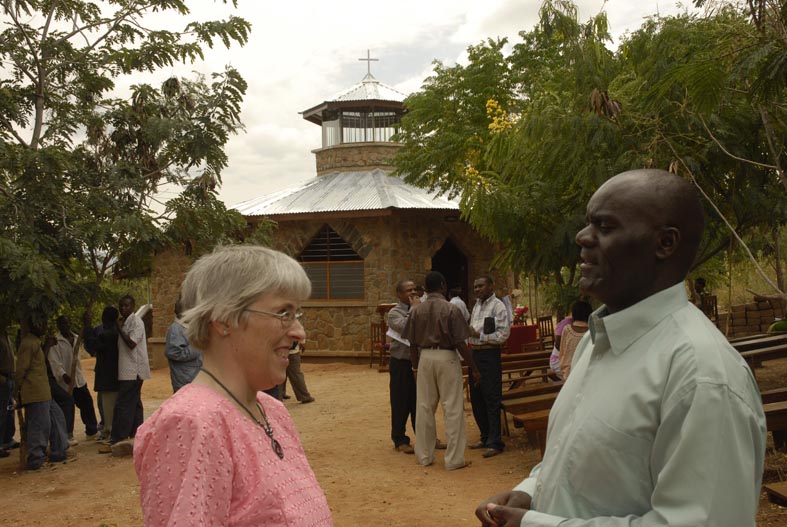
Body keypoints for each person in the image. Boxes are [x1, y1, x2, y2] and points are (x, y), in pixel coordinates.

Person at [476, 169, 767, 527]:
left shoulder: (701, 375)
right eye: (587, 223)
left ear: (665, 243)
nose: (583, 237)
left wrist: (533, 523)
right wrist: (531, 491)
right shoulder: (593, 345)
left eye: (605, 226)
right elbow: (576, 462)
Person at [134, 245, 332, 526]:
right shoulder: (191, 425)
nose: (300, 332)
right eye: (283, 313)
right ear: (224, 319)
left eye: (296, 314)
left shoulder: (271, 410)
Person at [402, 271, 478, 470]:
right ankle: (454, 460)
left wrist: (415, 367)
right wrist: (473, 367)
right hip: (447, 357)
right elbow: (460, 343)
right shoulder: (451, 309)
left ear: (425, 289)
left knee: (425, 408)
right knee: (452, 408)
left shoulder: (416, 311)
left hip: (425, 357)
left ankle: (424, 456)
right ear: (443, 285)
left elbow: (411, 343)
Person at [15, 317, 68, 470]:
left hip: (44, 391)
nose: (44, 326)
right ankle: (35, 459)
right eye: (41, 323)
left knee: (57, 418)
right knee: (39, 425)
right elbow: (21, 369)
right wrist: (16, 392)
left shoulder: (36, 342)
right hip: (35, 391)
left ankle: (58, 452)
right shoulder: (28, 343)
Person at [468, 275, 510, 459]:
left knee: (491, 398)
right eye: (475, 286)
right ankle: (485, 436)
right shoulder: (476, 306)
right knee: (476, 398)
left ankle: (495, 443)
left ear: (491, 286)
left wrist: (479, 336)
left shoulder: (498, 306)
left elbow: (503, 335)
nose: (477, 289)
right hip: (475, 355)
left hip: (490, 355)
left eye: (481, 286)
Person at [102, 294, 150, 455]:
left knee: (123, 405)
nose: (124, 309)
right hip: (128, 370)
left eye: (127, 306)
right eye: (121, 306)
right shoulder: (126, 322)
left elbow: (131, 343)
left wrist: (118, 328)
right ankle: (137, 435)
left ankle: (118, 439)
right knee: (135, 403)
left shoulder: (135, 322)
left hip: (133, 370)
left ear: (133, 306)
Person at [49, 315, 98, 440]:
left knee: (86, 403)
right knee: (67, 407)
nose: (65, 326)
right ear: (58, 326)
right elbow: (54, 362)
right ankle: (67, 434)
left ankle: (91, 431)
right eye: (62, 324)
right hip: (65, 382)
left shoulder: (76, 338)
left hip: (78, 379)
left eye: (66, 323)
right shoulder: (56, 342)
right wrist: (63, 374)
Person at [386, 279, 420, 454]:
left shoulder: (423, 307)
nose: (413, 293)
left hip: (419, 363)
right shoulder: (394, 313)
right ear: (399, 295)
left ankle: (424, 437)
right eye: (408, 290)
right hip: (401, 363)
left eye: (415, 289)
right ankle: (400, 439)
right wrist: (414, 308)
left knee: (420, 402)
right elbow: (405, 328)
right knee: (400, 401)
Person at [83, 306, 120, 440]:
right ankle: (109, 430)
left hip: (108, 376)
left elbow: (92, 345)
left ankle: (110, 433)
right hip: (112, 375)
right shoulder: (114, 332)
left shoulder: (108, 334)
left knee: (108, 405)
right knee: (108, 404)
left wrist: (87, 326)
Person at [165, 297, 203, 393]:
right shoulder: (176, 329)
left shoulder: (188, 327)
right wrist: (196, 346)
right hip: (184, 379)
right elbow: (173, 352)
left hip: (194, 376)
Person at [556, 301, 592, 381]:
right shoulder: (593, 331)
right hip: (588, 372)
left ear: (574, 314)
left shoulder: (567, 329)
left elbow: (562, 353)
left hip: (568, 372)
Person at [0, 332, 14, 457]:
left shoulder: (5, 336)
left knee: (9, 410)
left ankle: (7, 439)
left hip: (8, 378)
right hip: (3, 379)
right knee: (2, 412)